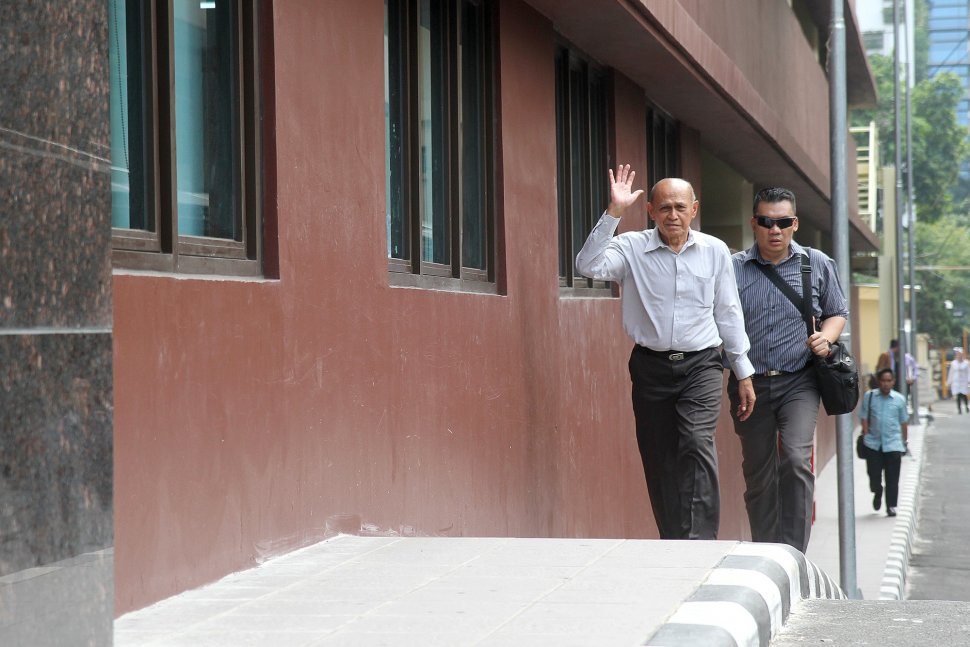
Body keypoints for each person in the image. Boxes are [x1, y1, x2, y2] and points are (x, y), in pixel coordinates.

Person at [575, 165, 756, 540]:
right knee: (659, 457)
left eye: (679, 207)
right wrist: (613, 213)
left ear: (694, 209)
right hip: (650, 366)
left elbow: (728, 309)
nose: (672, 215)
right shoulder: (631, 248)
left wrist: (743, 370)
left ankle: (700, 540)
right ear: (651, 212)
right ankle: (673, 538)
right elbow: (587, 265)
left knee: (696, 440)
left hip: (702, 364)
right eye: (664, 208)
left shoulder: (715, 251)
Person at [729, 187, 848, 553]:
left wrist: (825, 339)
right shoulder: (733, 268)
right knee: (759, 474)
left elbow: (837, 313)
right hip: (750, 383)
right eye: (766, 222)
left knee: (796, 459)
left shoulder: (816, 263)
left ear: (794, 224)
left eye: (782, 222)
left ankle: (794, 553)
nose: (774, 230)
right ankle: (768, 552)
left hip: (800, 381)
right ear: (754, 223)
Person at [860, 368, 909, 517]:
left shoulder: (899, 399)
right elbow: (864, 417)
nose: (886, 384)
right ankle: (877, 491)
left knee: (892, 478)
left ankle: (891, 506)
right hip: (873, 444)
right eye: (883, 381)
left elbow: (904, 422)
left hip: (893, 444)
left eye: (889, 381)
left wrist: (904, 442)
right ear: (878, 382)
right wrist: (866, 433)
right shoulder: (870, 396)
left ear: (893, 382)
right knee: (873, 475)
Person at [948, 349, 970, 414]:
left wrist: (969, 380)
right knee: (958, 395)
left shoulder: (966, 363)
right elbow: (951, 373)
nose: (959, 356)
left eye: (960, 355)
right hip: (956, 382)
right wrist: (949, 382)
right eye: (958, 355)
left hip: (964, 381)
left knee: (963, 394)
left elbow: (968, 372)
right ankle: (959, 409)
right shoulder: (953, 363)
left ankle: (966, 406)